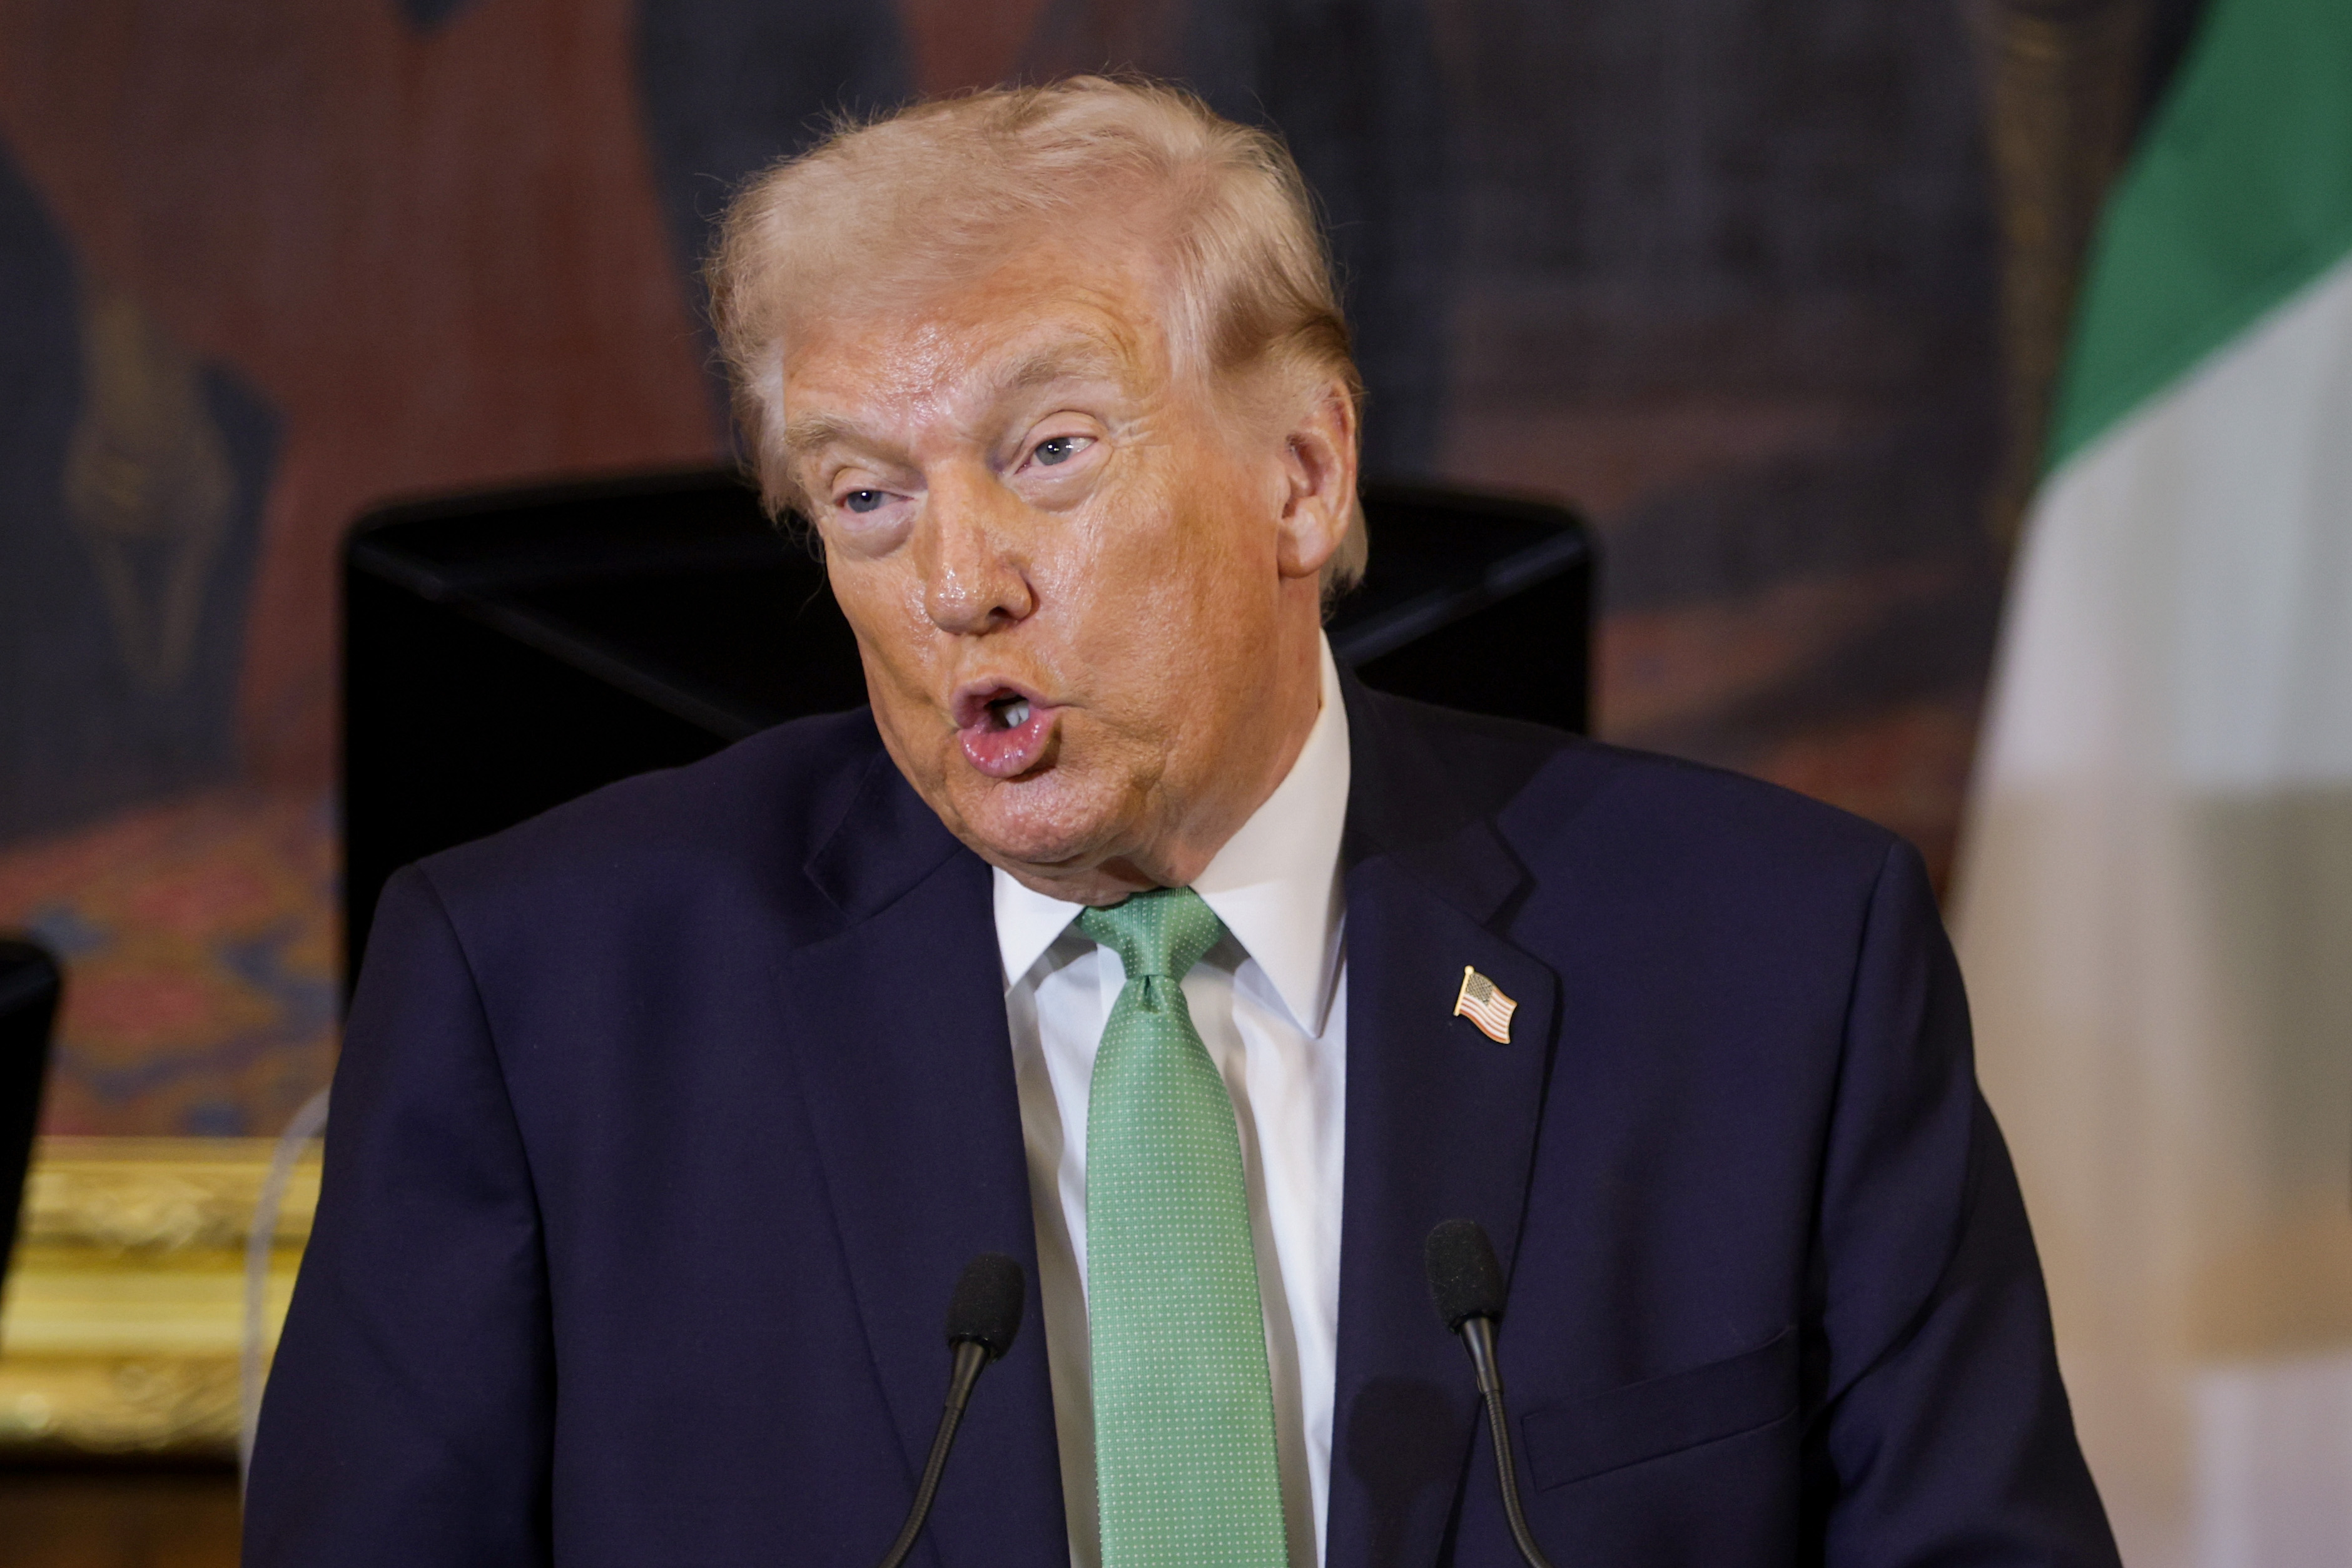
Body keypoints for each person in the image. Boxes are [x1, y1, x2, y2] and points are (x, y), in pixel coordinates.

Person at [244, 78, 2119, 1568]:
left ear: (1301, 474)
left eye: (1049, 450)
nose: (957, 580)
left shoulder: (1774, 966)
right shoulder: (547, 1003)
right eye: (867, 497)